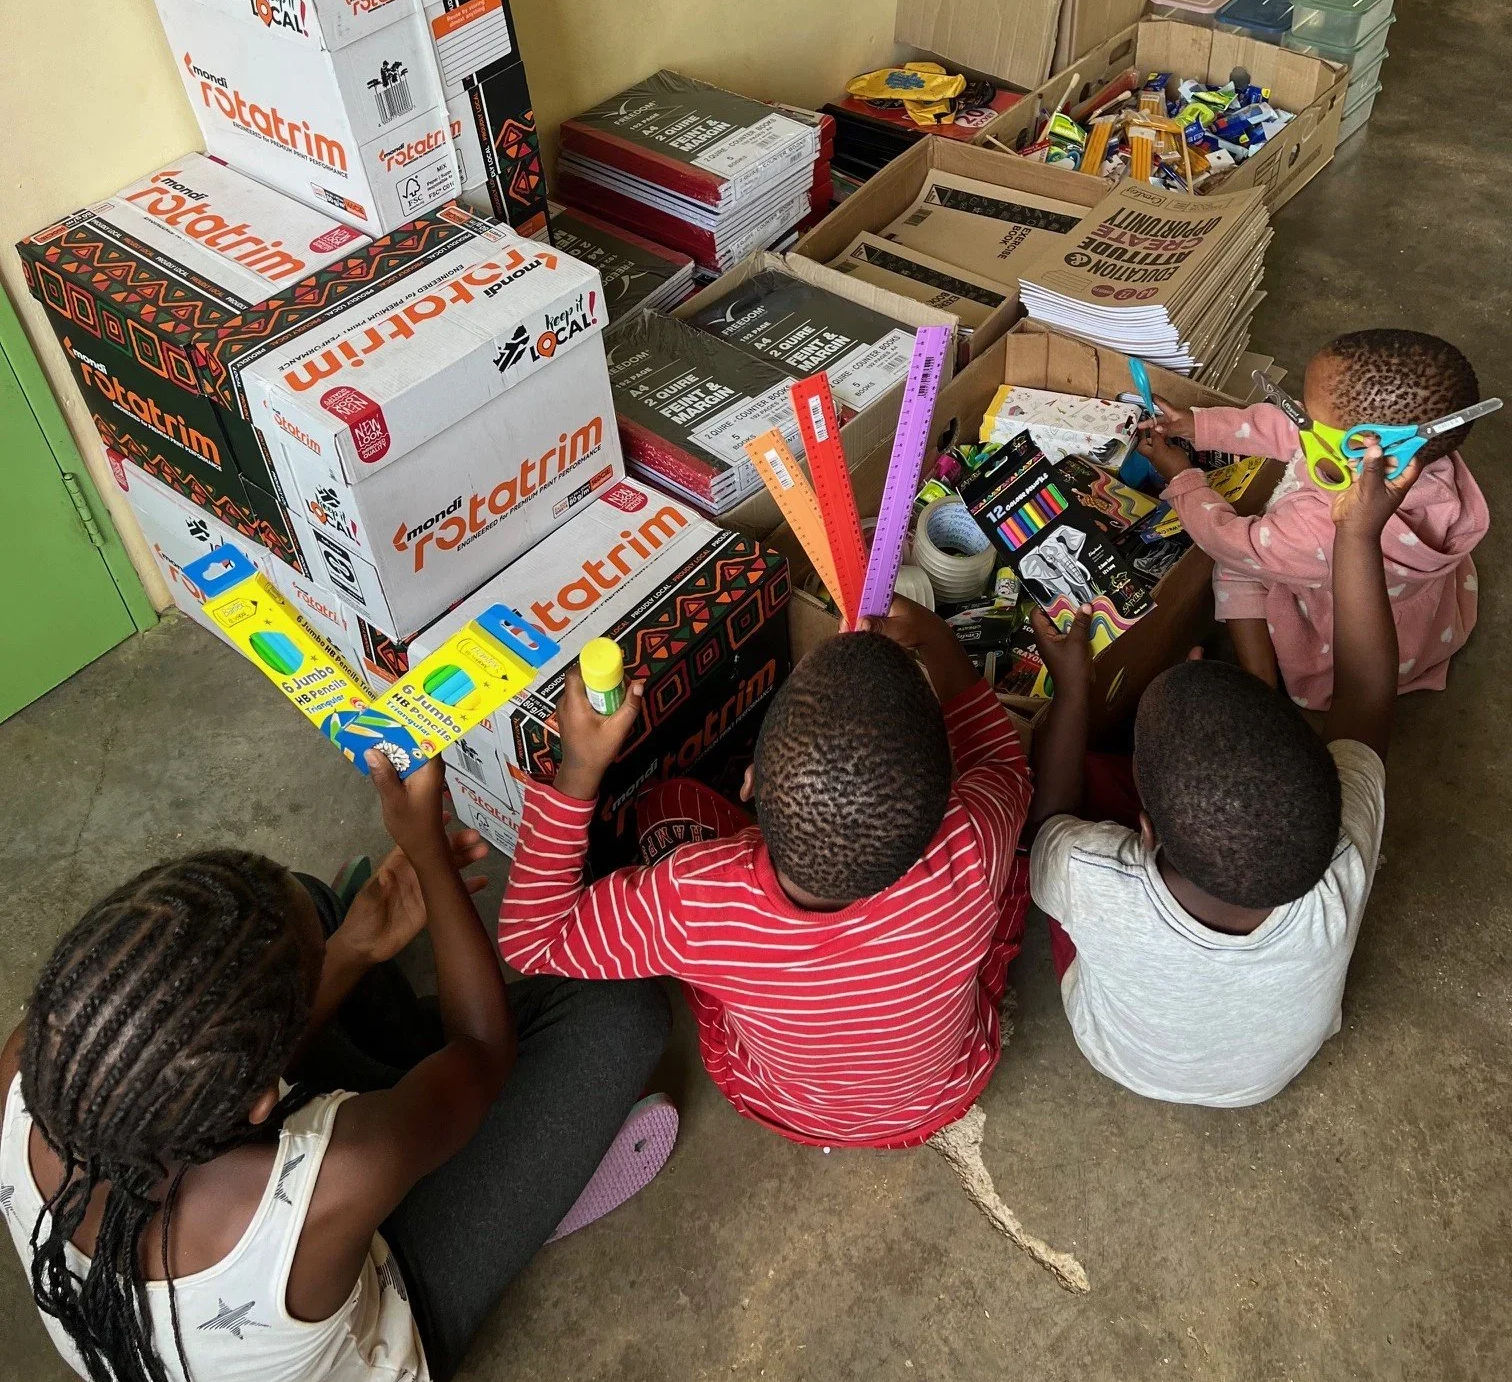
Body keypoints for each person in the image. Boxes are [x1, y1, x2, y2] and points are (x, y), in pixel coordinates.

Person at [0, 757, 672, 1382]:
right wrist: (430, 859)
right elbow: (480, 1048)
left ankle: (413, 1074)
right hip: (378, 1345)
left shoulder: (30, 1063)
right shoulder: (339, 1171)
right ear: (264, 1097)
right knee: (622, 1011)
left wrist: (348, 949)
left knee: (314, 908)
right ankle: (526, 1190)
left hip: (247, 1268)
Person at [500, 598, 1091, 1149]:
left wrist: (579, 769)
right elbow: (1000, 764)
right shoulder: (970, 840)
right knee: (1016, 871)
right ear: (943, 805)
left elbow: (532, 940)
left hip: (790, 1106)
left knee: (669, 803)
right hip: (940, 1095)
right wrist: (936, 638)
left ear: (751, 780)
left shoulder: (696, 898)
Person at [1027, 439, 1416, 1108]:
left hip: (1117, 1052)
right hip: (1263, 1078)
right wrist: (1360, 532)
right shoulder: (1345, 861)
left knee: (1083, 776)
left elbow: (1048, 827)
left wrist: (1074, 692)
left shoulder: (1094, 875)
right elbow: (1371, 694)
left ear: (1142, 830)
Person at [1148, 327, 1489, 708]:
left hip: (1347, 645)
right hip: (1416, 619)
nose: (1296, 415)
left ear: (1359, 445)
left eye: (1306, 413)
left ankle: (1262, 687)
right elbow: (1289, 429)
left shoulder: (1316, 529)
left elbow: (1229, 543)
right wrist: (1198, 425)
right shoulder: (1417, 459)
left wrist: (1182, 479)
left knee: (1234, 568)